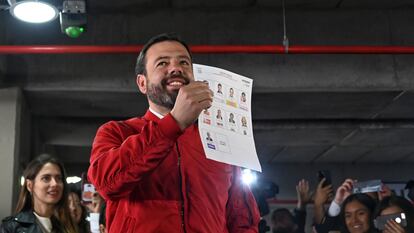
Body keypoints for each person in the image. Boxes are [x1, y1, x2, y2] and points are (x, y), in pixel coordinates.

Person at [87, 33, 260, 233]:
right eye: (162, 63)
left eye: (184, 63)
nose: (177, 68)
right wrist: (174, 123)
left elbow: (242, 218)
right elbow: (106, 183)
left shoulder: (219, 138)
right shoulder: (116, 132)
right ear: (142, 83)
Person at [1, 154, 77, 233]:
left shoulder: (69, 226)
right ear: (30, 185)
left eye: (59, 178)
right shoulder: (12, 227)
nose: (55, 183)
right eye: (46, 178)